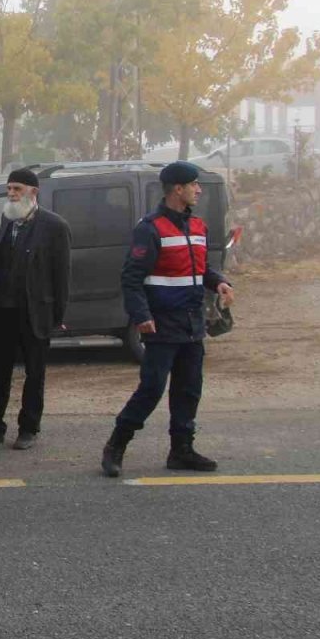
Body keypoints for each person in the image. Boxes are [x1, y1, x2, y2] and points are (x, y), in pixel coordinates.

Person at [101, 160, 236, 478]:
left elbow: (199, 269)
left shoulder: (198, 227)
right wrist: (141, 316)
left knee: (189, 390)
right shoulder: (150, 228)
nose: (199, 190)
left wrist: (219, 282)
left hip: (193, 324)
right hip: (162, 325)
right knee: (151, 389)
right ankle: (116, 445)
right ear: (178, 189)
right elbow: (131, 278)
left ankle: (181, 450)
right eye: (194, 185)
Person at [0, 168, 71, 450]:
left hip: (36, 312)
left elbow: (62, 276)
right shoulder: (8, 220)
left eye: (17, 189)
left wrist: (58, 315)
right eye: (9, 189)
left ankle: (29, 428)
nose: (11, 194)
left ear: (33, 192)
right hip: (6, 310)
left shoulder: (54, 226)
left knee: (34, 374)